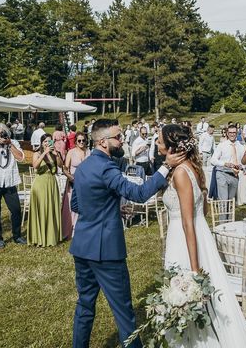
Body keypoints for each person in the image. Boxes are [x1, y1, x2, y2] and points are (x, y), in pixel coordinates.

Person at [69, 119, 185, 348]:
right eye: (118, 137)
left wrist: (110, 207)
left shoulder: (83, 167)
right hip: (106, 252)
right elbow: (140, 194)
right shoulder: (107, 167)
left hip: (82, 247)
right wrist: (165, 166)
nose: (122, 140)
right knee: (124, 313)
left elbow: (76, 204)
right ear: (103, 142)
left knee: (84, 307)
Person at [160, 123, 246, 347]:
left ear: (172, 146)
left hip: (184, 240)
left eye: (160, 140)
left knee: (187, 290)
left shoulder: (181, 174)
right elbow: (202, 210)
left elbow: (187, 221)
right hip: (197, 234)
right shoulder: (191, 168)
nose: (157, 143)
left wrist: (194, 269)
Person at [28, 134, 63, 247]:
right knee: (42, 209)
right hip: (40, 184)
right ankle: (40, 237)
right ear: (42, 143)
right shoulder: (37, 153)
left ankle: (51, 236)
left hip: (51, 183)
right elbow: (35, 166)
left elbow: (60, 166)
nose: (47, 143)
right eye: (45, 142)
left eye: (49, 141)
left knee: (51, 208)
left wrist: (55, 154)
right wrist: (44, 153)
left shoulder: (54, 154)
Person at [61, 132, 89, 240]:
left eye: (83, 140)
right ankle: (72, 229)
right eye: (79, 141)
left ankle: (83, 229)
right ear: (75, 142)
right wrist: (70, 177)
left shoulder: (89, 152)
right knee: (73, 205)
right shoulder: (71, 152)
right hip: (74, 183)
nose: (81, 142)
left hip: (86, 183)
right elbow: (65, 168)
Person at [210, 125, 245, 204]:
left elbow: (244, 162)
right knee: (224, 200)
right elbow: (213, 160)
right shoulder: (222, 145)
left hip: (235, 175)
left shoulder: (241, 147)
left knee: (231, 201)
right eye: (230, 132)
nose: (232, 134)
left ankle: (230, 217)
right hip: (222, 173)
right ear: (227, 133)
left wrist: (241, 166)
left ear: (237, 133)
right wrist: (224, 164)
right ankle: (223, 216)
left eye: (234, 132)